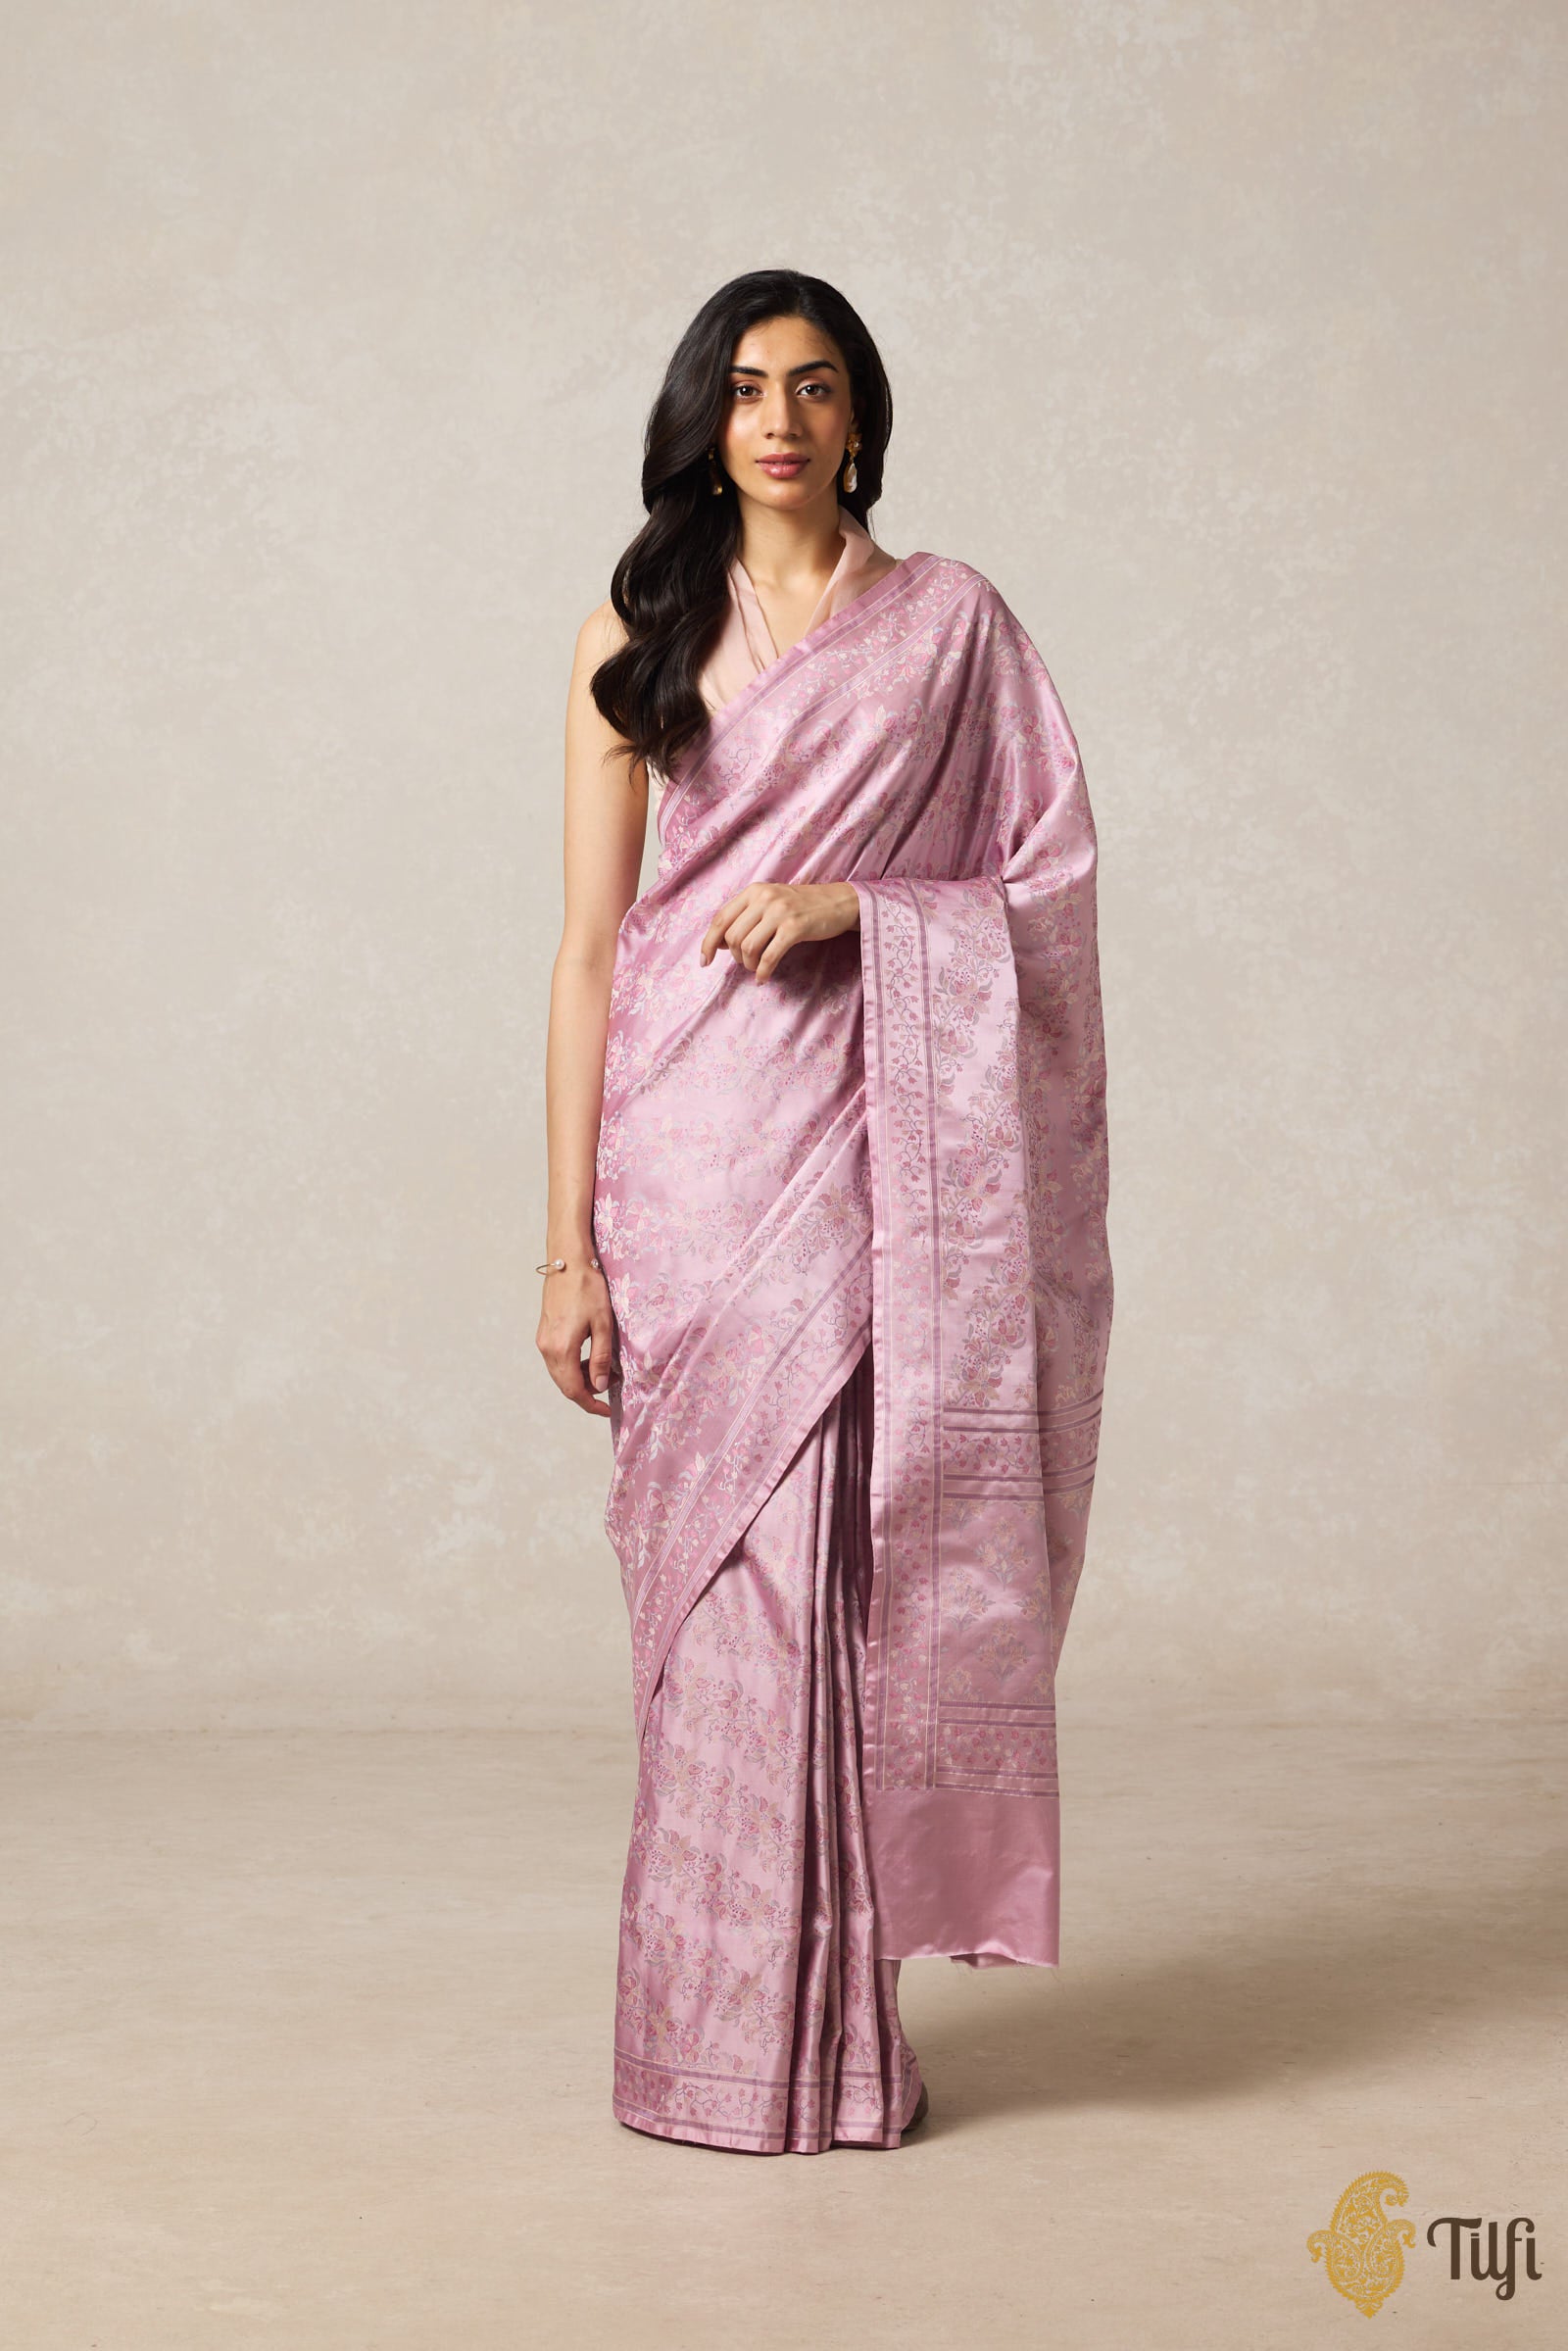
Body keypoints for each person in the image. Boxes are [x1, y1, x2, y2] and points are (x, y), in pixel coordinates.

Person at [538, 269, 1113, 2156]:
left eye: (814, 386)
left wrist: (862, 906)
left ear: (861, 416)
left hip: (877, 1156)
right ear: (703, 418)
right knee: (727, 1603)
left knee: (852, 1586)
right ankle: (710, 2046)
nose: (778, 419)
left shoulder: (953, 629)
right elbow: (588, 954)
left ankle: (840, 2052)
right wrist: (568, 1244)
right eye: (744, 387)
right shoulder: (635, 637)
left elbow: (1045, 887)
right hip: (691, 1169)